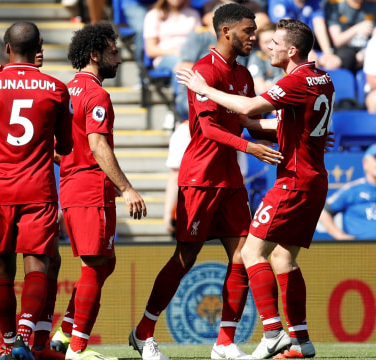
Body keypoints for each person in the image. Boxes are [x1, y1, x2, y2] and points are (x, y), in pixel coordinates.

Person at [129, 4, 283, 360]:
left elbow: (246, 121)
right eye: (248, 30)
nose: (254, 37)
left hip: (230, 177)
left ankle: (225, 342)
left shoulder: (243, 74)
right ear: (227, 31)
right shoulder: (202, 71)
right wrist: (250, 147)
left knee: (243, 256)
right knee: (186, 257)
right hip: (200, 177)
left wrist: (292, 133)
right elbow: (210, 128)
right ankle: (143, 332)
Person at [177, 18, 335, 359]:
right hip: (314, 180)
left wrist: (204, 90)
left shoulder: (296, 80)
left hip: (293, 182)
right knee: (282, 257)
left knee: (250, 254)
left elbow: (248, 108)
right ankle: (301, 341)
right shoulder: (323, 79)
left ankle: (274, 332)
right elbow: (267, 120)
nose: (268, 46)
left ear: (292, 50)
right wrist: (294, 133)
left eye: (275, 42)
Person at [0, 20, 73, 360]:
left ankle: (8, 342)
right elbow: (65, 146)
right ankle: (24, 335)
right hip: (39, 189)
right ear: (39, 47)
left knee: (1, 267)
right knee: (38, 264)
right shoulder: (55, 88)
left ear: (7, 48)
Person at [51, 22, 146, 360]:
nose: (119, 60)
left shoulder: (64, 90)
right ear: (95, 55)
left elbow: (54, 146)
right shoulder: (96, 94)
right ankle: (78, 348)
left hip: (73, 186)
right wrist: (127, 188)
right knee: (95, 265)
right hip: (92, 189)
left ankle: (64, 332)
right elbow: (97, 144)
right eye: (114, 52)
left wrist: (72, 166)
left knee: (106, 263)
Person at [319, 144, 376, 240]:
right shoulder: (352, 189)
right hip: (363, 251)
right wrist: (339, 235)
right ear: (365, 163)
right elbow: (324, 211)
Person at [143, 0, 201, 93]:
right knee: (183, 66)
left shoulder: (193, 14)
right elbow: (150, 50)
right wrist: (176, 53)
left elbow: (199, 40)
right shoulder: (154, 15)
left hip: (191, 57)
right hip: (165, 57)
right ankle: (181, 103)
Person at [267, 0, 341, 69]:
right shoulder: (278, 1)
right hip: (286, 48)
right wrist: (308, 52)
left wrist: (327, 53)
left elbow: (319, 25)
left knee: (334, 62)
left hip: (308, 46)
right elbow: (289, 29)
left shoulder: (315, 1)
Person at [325, 0, 376, 73]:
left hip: (366, 49)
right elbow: (337, 41)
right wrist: (356, 29)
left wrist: (366, 52)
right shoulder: (335, 3)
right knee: (344, 60)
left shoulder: (375, 3)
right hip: (345, 50)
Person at [247, 22, 285, 94]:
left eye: (273, 41)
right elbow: (260, 88)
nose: (270, 45)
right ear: (259, 44)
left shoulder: (288, 55)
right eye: (266, 42)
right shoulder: (257, 58)